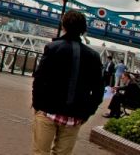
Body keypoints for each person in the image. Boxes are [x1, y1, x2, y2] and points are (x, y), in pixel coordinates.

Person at [31, 10, 104, 155]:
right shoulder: (93, 56)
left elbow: (39, 79)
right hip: (75, 115)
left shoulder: (52, 48)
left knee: (40, 152)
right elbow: (98, 90)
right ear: (84, 30)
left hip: (47, 110)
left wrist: (37, 104)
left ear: (63, 25)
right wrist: (87, 112)